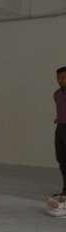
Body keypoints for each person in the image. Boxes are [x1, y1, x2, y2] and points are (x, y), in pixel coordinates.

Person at [54, 66, 66, 197]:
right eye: (58, 78)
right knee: (61, 159)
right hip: (60, 128)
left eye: (63, 77)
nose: (60, 80)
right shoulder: (57, 94)